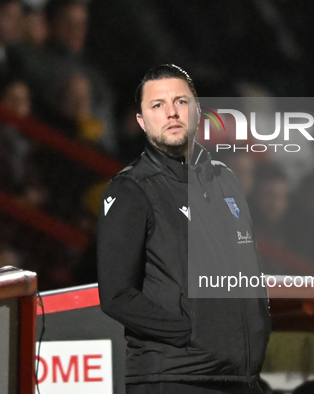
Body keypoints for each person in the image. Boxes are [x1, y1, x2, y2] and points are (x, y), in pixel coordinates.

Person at [97, 64, 270, 393]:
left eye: (180, 102)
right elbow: (117, 295)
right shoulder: (131, 189)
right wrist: (191, 333)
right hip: (174, 377)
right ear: (141, 121)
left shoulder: (225, 180)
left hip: (240, 378)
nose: (172, 113)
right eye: (157, 105)